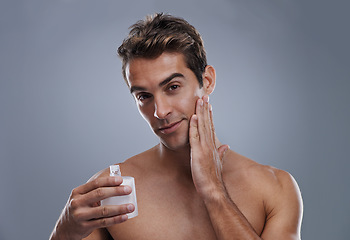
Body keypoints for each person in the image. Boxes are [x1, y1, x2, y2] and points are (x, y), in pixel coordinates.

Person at [50, 13, 303, 240]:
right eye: (143, 96)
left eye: (172, 88)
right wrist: (64, 230)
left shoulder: (274, 187)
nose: (160, 112)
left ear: (207, 80)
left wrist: (214, 193)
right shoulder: (112, 190)